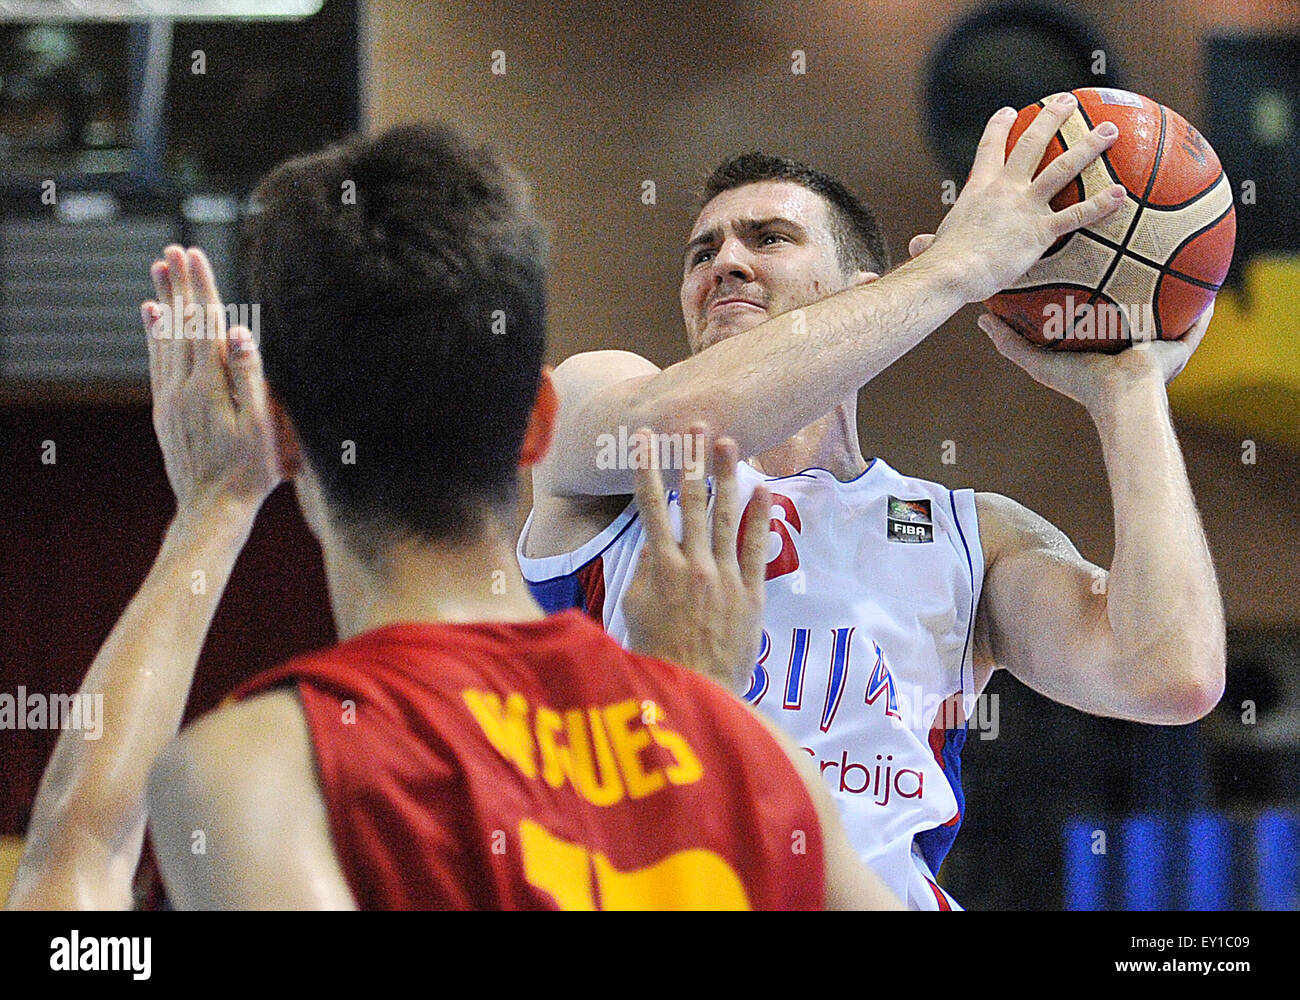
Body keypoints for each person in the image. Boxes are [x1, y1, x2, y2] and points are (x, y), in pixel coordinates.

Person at [8, 122, 901, 910]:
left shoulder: (266, 767)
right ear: (537, 426)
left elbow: (70, 886)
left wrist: (211, 507)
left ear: (281, 437)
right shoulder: (748, 761)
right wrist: (694, 724)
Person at [517, 94, 1227, 909]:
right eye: (701, 251)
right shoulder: (602, 408)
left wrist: (1130, 391)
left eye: (770, 238)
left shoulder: (971, 534)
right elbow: (685, 420)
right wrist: (953, 270)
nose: (724, 263)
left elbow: (1169, 673)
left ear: (862, 289)